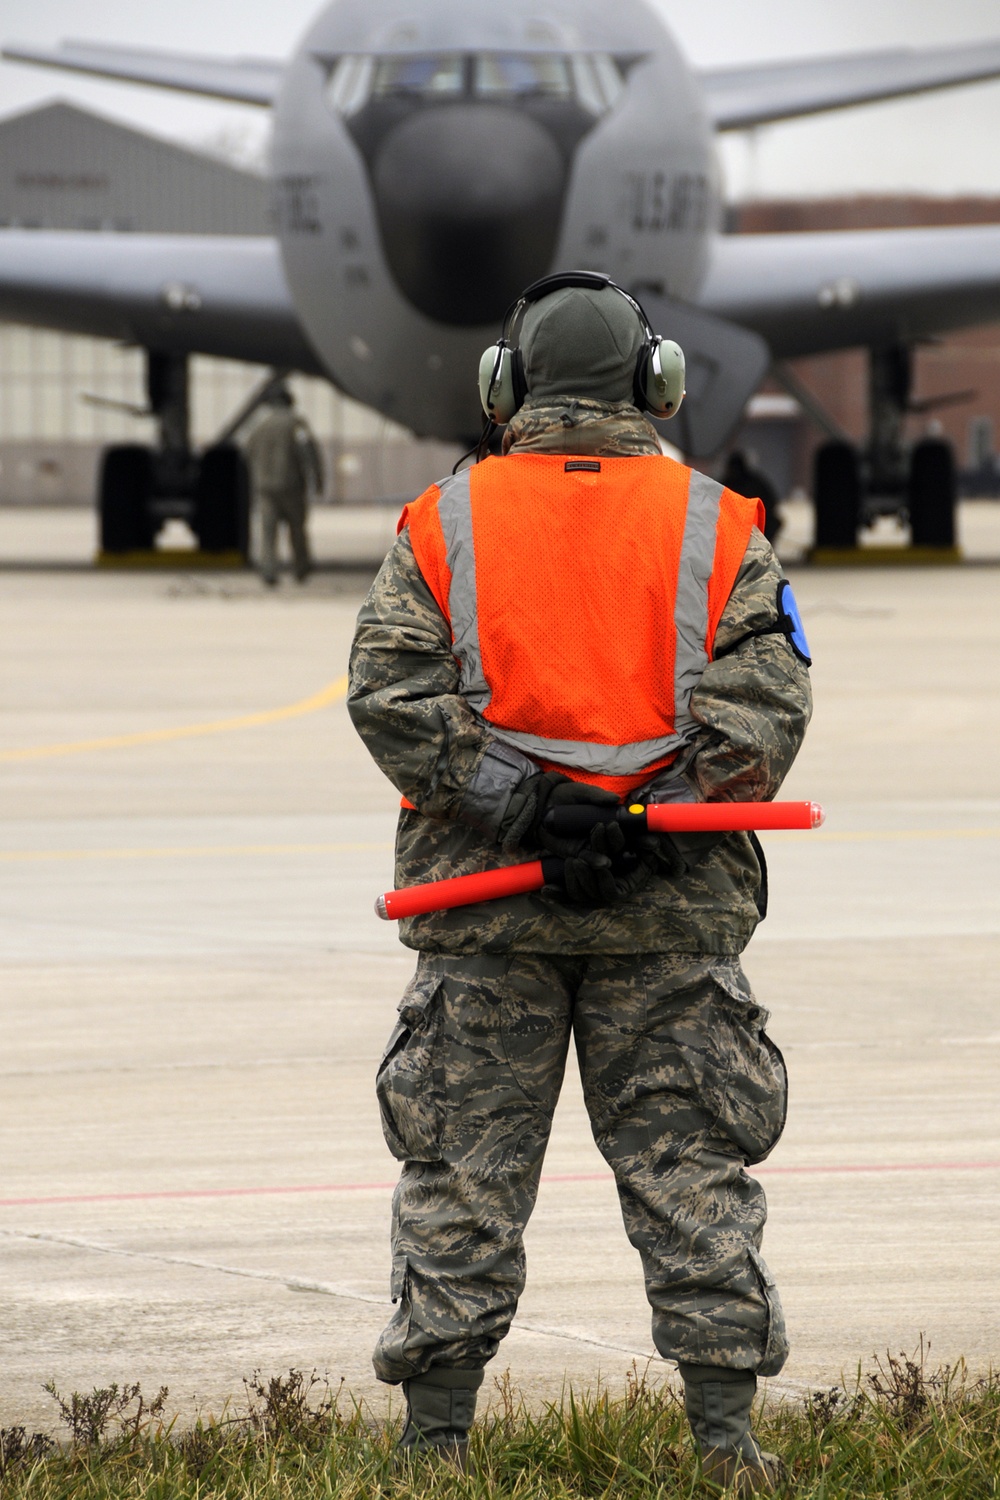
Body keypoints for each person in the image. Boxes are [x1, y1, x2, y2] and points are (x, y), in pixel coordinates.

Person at [348, 275, 813, 1493]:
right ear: (655, 387)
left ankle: (432, 1450)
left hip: (484, 908)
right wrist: (643, 823)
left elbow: (390, 697)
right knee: (693, 1171)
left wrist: (523, 805)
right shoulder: (718, 524)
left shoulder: (440, 523)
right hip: (668, 916)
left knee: (460, 1172)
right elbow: (765, 706)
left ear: (506, 391)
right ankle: (726, 1446)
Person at [244, 385, 323, 585]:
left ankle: (269, 571)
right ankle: (301, 568)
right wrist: (318, 480)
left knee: (268, 531)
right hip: (291, 487)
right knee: (297, 529)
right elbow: (308, 453)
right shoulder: (296, 424)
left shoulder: (260, 426)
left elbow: (248, 453)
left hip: (265, 488)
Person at [721, 448, 781, 545]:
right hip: (731, 525)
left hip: (756, 524)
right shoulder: (725, 485)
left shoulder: (755, 483)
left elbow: (771, 503)